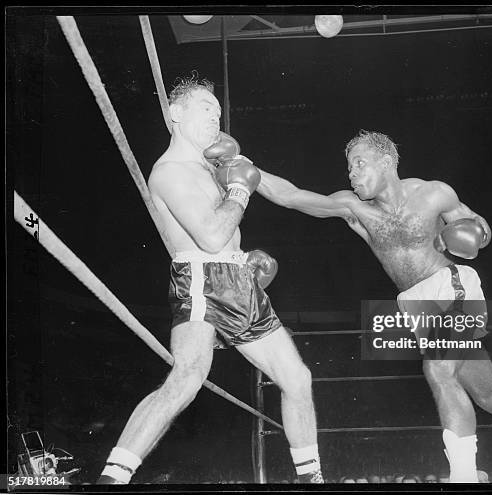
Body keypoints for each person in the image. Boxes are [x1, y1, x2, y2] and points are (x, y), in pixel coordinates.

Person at [255, 129, 492, 487]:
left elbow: (480, 228)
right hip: (416, 304)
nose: (351, 173)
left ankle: (464, 476)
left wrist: (464, 233)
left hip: (451, 284)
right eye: (349, 167)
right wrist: (244, 168)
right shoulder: (354, 207)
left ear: (387, 161)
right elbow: (291, 197)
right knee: (489, 395)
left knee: (439, 370)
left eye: (359, 163)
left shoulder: (434, 193)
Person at [96, 77, 323, 484]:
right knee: (188, 375)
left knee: (297, 378)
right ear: (175, 114)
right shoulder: (170, 172)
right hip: (204, 272)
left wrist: (341, 208)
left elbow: (284, 192)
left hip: (239, 279)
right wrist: (238, 189)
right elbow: (213, 237)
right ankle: (112, 478)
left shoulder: (219, 161)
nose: (216, 115)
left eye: (218, 110)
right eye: (205, 106)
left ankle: (312, 479)